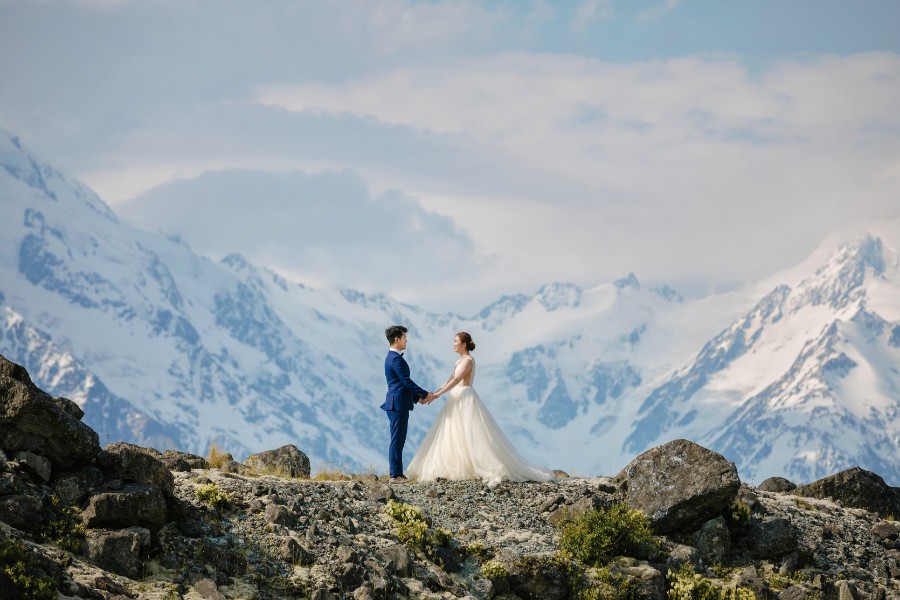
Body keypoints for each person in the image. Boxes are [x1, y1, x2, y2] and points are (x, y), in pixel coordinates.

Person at [406, 332, 554, 487]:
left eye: (455, 341)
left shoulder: (468, 360)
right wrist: (433, 393)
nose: (453, 344)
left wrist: (436, 395)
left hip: (464, 397)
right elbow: (450, 379)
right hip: (456, 397)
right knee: (453, 431)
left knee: (469, 432)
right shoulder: (459, 361)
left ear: (464, 344)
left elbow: (457, 380)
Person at [382, 325, 434, 484]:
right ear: (397, 339)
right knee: (397, 439)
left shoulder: (392, 358)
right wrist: (425, 394)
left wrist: (416, 398)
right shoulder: (396, 359)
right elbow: (406, 381)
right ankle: (395, 475)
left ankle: (397, 473)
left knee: (399, 438)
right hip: (397, 404)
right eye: (405, 337)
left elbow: (401, 383)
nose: (407, 340)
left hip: (398, 402)